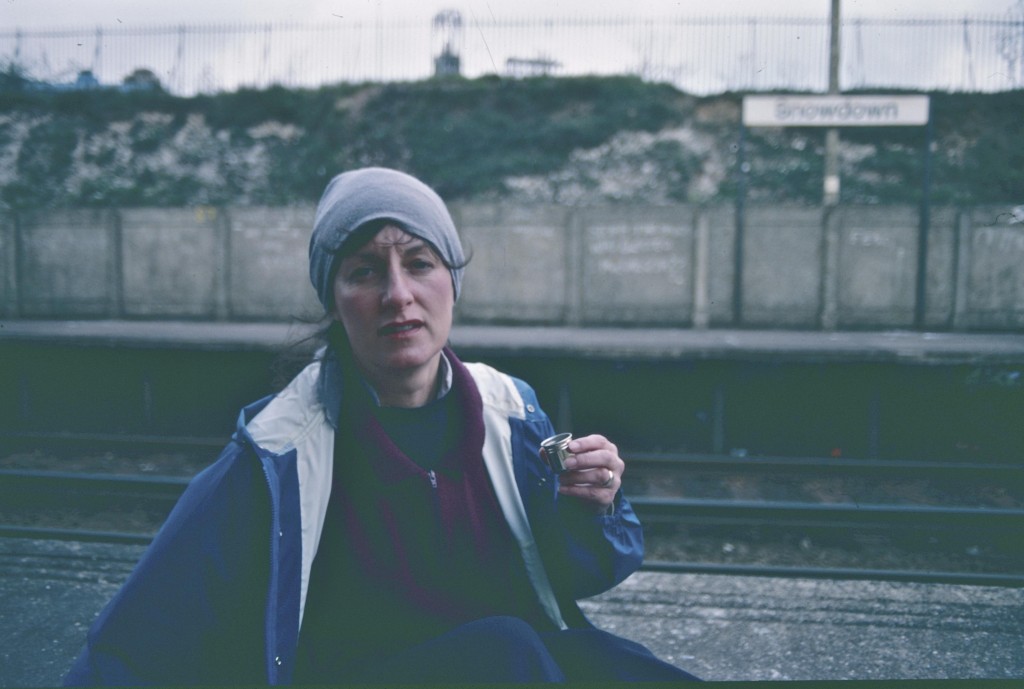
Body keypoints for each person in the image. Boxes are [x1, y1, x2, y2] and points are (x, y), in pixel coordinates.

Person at [64, 167, 698, 685]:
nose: (398, 294)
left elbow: (583, 574)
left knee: (608, 660)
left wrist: (592, 510)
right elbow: (137, 641)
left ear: (452, 282)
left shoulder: (511, 412)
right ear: (334, 302)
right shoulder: (277, 451)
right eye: (364, 271)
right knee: (506, 651)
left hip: (516, 663)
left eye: (419, 263)